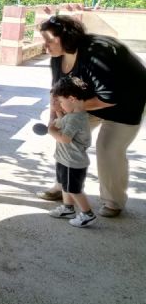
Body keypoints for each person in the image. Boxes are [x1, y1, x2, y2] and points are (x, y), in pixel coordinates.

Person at [37, 15, 146, 218]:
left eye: (49, 40)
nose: (45, 45)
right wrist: (54, 118)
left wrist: (70, 109)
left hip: (125, 102)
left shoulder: (97, 54)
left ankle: (113, 201)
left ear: (66, 37)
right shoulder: (58, 57)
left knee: (108, 148)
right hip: (86, 101)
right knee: (64, 135)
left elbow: (110, 97)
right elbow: (57, 91)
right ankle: (64, 187)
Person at [46, 76, 96, 228]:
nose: (60, 104)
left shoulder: (76, 119)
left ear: (72, 98)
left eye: (61, 101)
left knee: (74, 189)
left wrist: (51, 130)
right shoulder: (73, 115)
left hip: (73, 162)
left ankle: (88, 214)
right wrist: (59, 112)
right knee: (64, 185)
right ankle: (68, 209)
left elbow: (65, 138)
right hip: (65, 159)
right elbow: (63, 123)